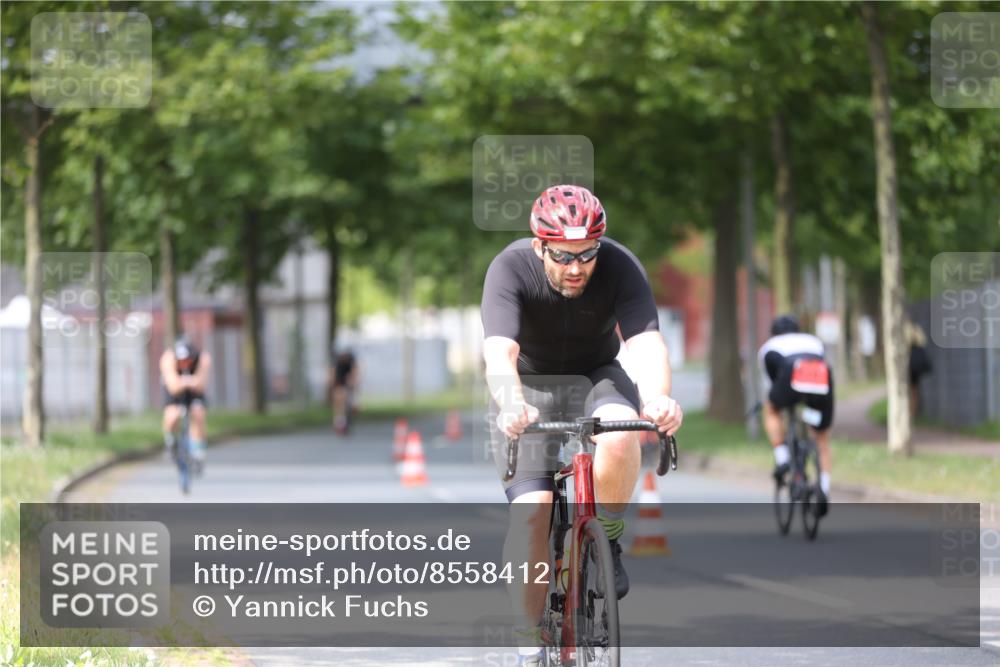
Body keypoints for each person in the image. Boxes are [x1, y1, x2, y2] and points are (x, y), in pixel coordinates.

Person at [481, 184, 683, 666]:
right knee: (532, 513)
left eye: (587, 254)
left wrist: (658, 399)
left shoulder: (620, 266)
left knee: (623, 428)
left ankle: (605, 536)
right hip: (528, 385)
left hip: (597, 375)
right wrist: (511, 403)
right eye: (563, 256)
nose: (577, 267)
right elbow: (499, 352)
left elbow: (647, 344)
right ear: (540, 247)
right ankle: (530, 644)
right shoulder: (510, 268)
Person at [758, 315, 834, 512]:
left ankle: (782, 458)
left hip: (789, 375)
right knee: (822, 436)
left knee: (771, 409)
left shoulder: (768, 347)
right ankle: (824, 488)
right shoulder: (813, 341)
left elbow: (770, 385)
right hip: (820, 379)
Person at [160, 334, 212, 468]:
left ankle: (198, 450)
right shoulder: (168, 358)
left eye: (188, 360)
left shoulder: (203, 358)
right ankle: (171, 442)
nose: (185, 364)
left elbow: (200, 384)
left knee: (198, 413)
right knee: (172, 415)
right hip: (175, 392)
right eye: (182, 361)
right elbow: (173, 387)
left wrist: (185, 382)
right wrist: (189, 381)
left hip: (194, 392)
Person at [905, 319, 932, 420]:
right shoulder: (918, 330)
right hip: (916, 366)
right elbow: (923, 342)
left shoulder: (905, 329)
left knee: (911, 390)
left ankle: (911, 412)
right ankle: (913, 412)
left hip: (909, 365)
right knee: (914, 390)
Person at [330, 347, 360, 434]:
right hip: (339, 382)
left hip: (348, 381)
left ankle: (348, 417)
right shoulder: (336, 361)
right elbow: (332, 372)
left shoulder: (351, 360)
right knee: (339, 403)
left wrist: (354, 382)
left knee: (350, 403)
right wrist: (332, 384)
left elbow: (355, 371)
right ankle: (339, 423)